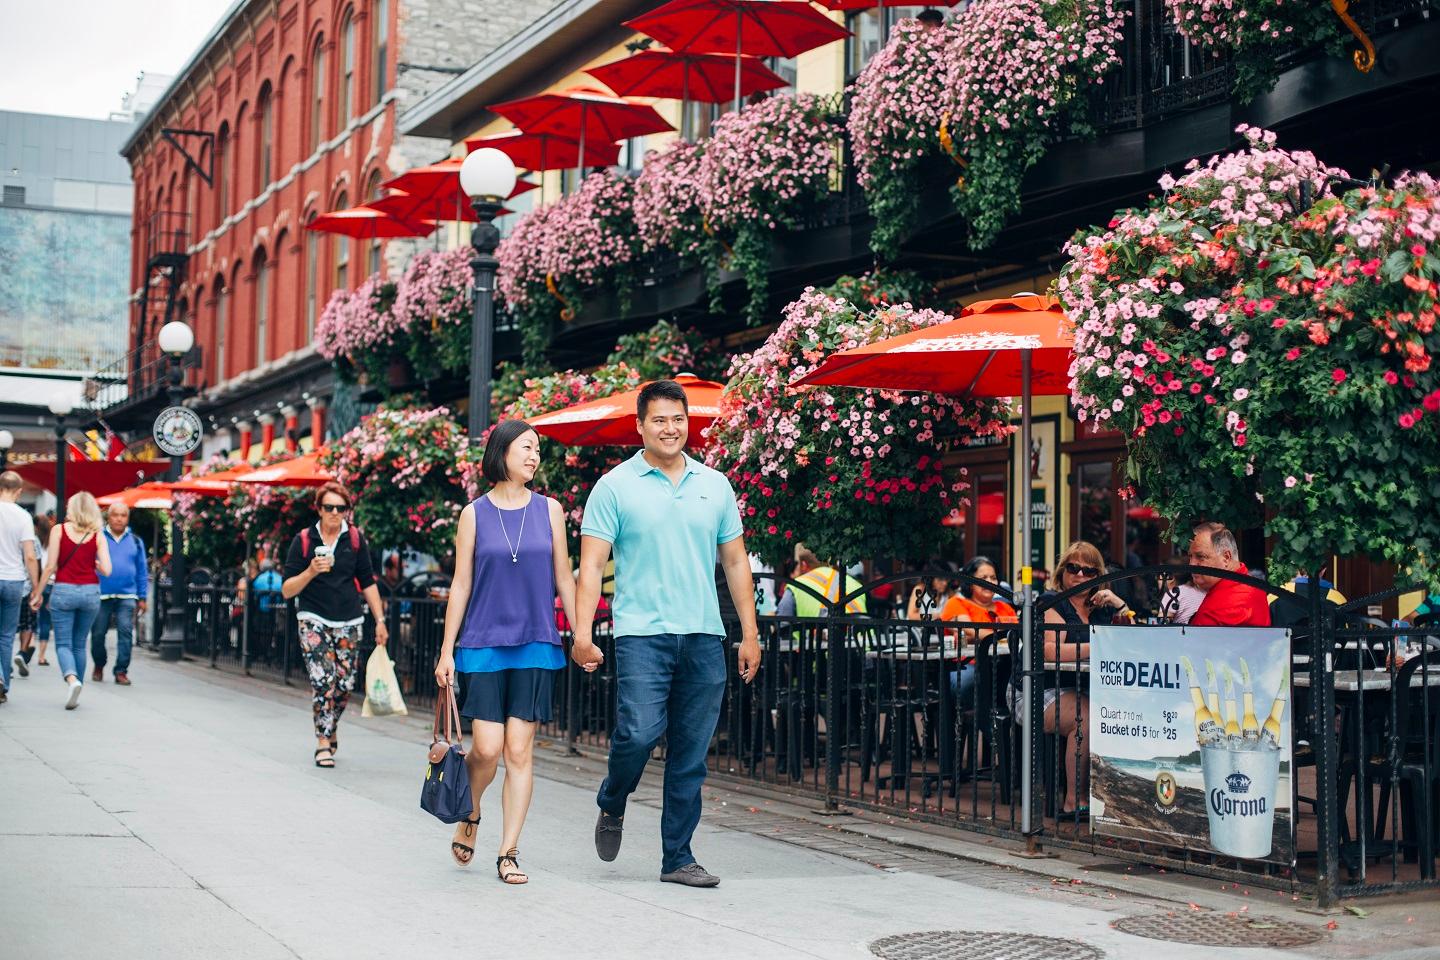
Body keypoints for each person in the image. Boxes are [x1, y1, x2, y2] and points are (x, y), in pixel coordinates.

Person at [573, 379, 761, 888]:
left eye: (678, 419)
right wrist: (583, 632)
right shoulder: (614, 487)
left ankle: (677, 857)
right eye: (659, 419)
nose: (670, 428)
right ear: (640, 426)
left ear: (688, 424)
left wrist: (750, 631)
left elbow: (736, 560)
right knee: (637, 733)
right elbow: (591, 567)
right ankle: (613, 799)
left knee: (691, 753)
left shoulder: (714, 484)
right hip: (641, 635)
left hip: (703, 635)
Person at [433, 419, 579, 884]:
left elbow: (564, 578)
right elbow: (461, 584)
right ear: (501, 453)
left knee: (519, 750)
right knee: (487, 748)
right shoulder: (473, 513)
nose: (535, 457)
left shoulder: (550, 510)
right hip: (483, 642)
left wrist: (582, 633)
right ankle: (470, 812)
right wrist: (446, 652)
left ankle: (509, 850)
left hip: (536, 641)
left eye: (538, 450)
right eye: (526, 448)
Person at [1012, 541, 1129, 817]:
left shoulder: (1101, 608)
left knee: (1117, 712)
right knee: (1084, 718)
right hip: (1036, 689)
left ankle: (1113, 798)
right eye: (1073, 568)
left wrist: (1120, 605)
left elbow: (1131, 638)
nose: (1080, 576)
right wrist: (1100, 644)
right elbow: (1049, 652)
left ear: (1098, 577)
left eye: (1089, 571)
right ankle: (1073, 801)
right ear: (1062, 572)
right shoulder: (1051, 603)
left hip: (1083, 688)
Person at [281, 482, 388, 768]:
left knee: (344, 684)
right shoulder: (303, 540)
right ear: (319, 509)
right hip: (313, 618)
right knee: (322, 680)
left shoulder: (354, 539)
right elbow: (287, 590)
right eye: (329, 508)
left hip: (349, 620)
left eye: (341, 509)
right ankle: (322, 741)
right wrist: (310, 571)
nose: (335, 513)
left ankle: (330, 726)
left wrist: (380, 620)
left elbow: (367, 582)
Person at [30, 492, 112, 710]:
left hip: (64, 591)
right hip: (90, 593)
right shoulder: (98, 534)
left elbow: (50, 566)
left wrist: (38, 592)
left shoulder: (59, 530)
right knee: (79, 643)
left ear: (71, 508)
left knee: (64, 643)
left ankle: (71, 680)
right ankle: (78, 686)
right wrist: (93, 564)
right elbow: (107, 569)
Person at [939, 556, 1017, 708]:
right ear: (970, 582)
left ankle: (1003, 724)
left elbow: (1016, 635)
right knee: (967, 683)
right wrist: (1001, 632)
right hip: (968, 663)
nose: (989, 581)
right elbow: (971, 630)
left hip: (1005, 665)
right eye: (983, 578)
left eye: (993, 578)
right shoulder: (956, 603)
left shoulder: (1004, 607)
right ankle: (982, 722)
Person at [90, 503, 148, 685]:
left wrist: (143, 597)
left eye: (123, 515)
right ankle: (99, 664)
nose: (119, 518)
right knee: (98, 633)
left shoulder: (136, 541)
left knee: (125, 632)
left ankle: (121, 671)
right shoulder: (98, 537)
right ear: (109, 516)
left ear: (127, 518)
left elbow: (142, 570)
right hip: (101, 594)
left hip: (128, 595)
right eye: (116, 515)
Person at [0, 471, 41, 704]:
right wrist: (35, 587)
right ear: (19, 491)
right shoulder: (23, 516)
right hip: (15, 581)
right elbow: (30, 556)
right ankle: (3, 684)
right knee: (6, 637)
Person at [1187, 522, 1271, 627]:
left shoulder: (1221, 606)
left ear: (1226, 558)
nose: (1192, 563)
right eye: (1190, 556)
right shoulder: (1251, 585)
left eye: (1201, 556)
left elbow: (1195, 641)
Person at [776, 544, 866, 618]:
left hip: (818, 639)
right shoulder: (855, 584)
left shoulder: (797, 585)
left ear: (803, 565)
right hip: (864, 638)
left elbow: (783, 623)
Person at [24, 514, 54, 667]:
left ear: (36, 527)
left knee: (31, 618)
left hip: (35, 583)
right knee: (45, 620)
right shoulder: (52, 542)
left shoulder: (32, 541)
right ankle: (42, 656)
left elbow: (31, 561)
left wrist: (36, 587)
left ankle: (29, 645)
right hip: (51, 584)